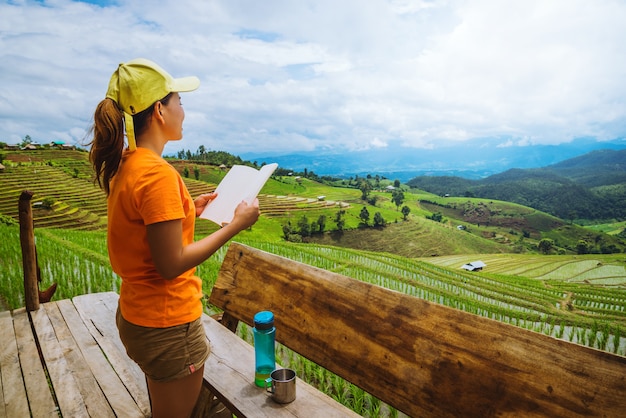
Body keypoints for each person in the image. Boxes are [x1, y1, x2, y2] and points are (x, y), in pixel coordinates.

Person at [88, 58, 260, 418]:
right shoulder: (158, 176)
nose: (184, 110)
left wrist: (187, 211)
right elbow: (171, 264)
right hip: (167, 326)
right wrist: (235, 226)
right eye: (179, 101)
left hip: (137, 316)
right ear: (159, 111)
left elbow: (144, 229)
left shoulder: (126, 164)